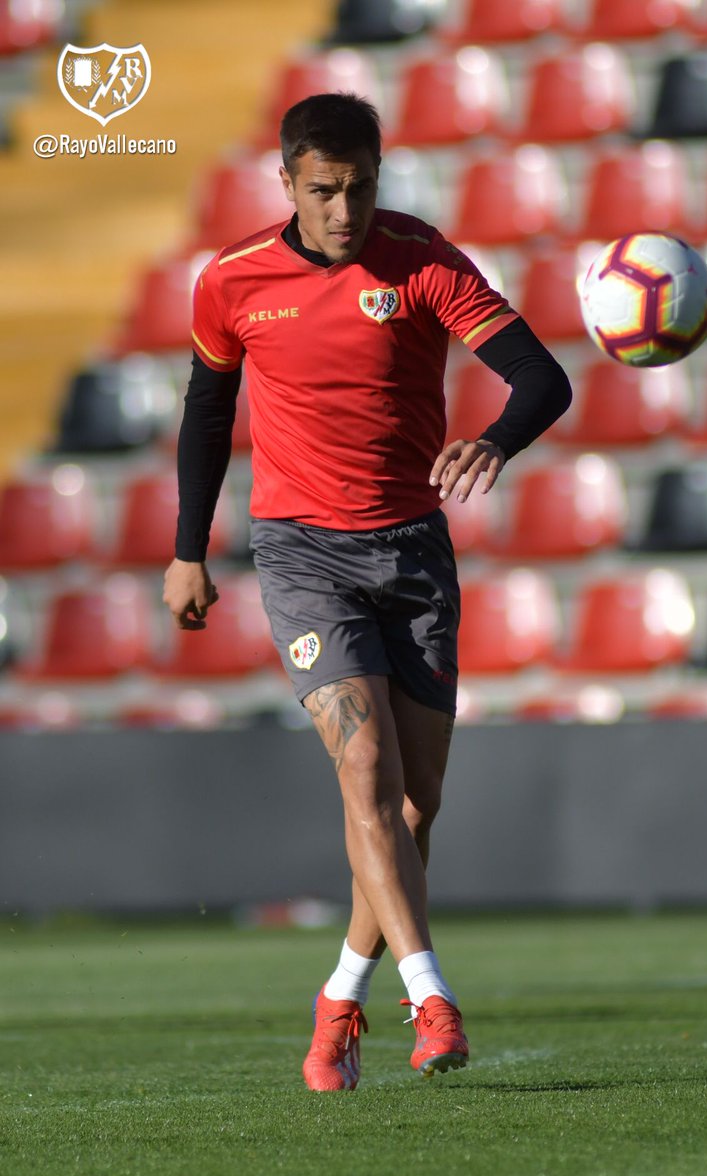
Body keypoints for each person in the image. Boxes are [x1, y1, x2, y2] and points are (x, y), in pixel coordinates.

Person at [162, 92, 571, 1089]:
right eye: (325, 191)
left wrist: (495, 438)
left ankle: (340, 995)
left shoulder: (424, 261)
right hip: (303, 555)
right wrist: (187, 550)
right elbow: (208, 413)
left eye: (361, 188)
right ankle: (432, 1002)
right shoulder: (233, 282)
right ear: (288, 183)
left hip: (413, 554)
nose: (345, 210)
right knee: (368, 781)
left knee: (415, 810)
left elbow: (542, 378)